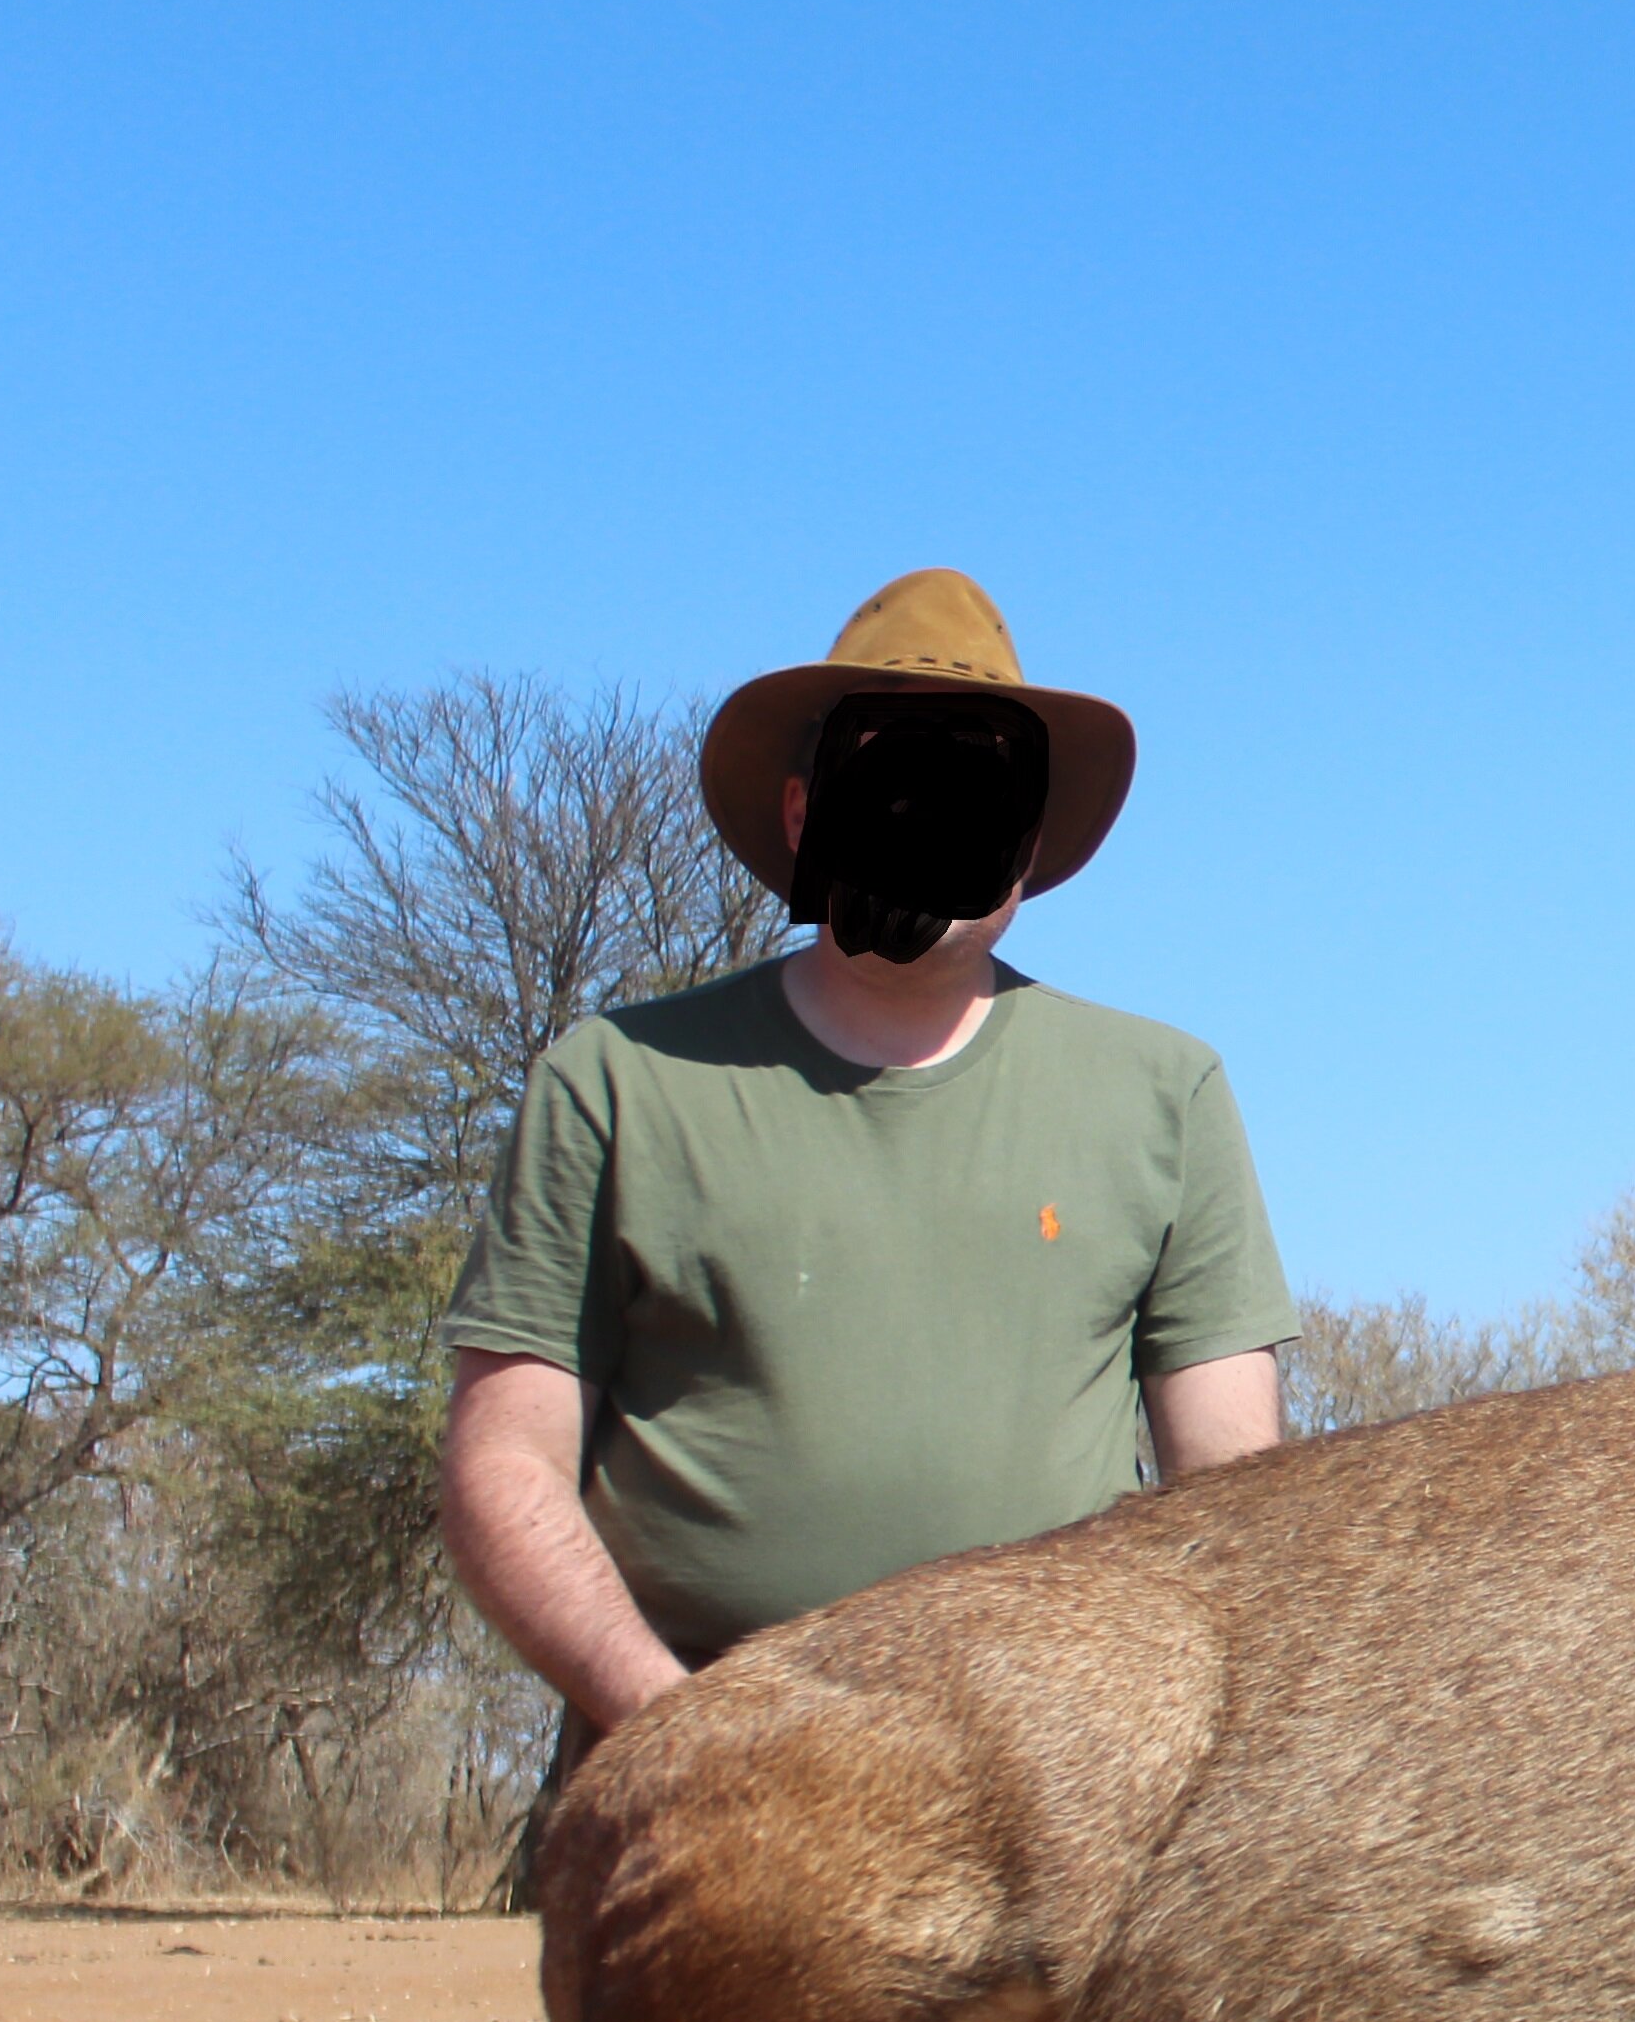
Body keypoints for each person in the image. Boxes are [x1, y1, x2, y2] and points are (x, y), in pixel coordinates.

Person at [438, 567, 1294, 1800]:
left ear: (1032, 835)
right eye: (893, 777)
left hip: (1060, 1807)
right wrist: (669, 1725)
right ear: (804, 813)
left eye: (976, 785)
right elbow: (503, 1464)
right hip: (695, 1794)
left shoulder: (1170, 1092)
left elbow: (1236, 1499)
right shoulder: (614, 1082)